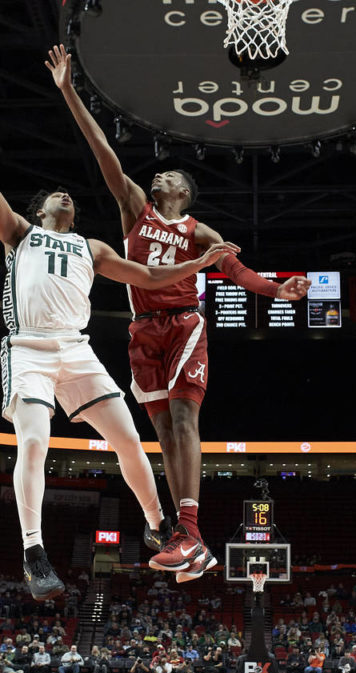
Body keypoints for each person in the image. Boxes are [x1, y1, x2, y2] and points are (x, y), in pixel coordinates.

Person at [0, 76, 237, 601]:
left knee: (129, 439)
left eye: (68, 195)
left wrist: (197, 263)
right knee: (35, 441)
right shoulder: (19, 233)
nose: (64, 194)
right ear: (40, 211)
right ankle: (34, 553)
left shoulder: (93, 247)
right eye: (53, 195)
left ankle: (160, 525)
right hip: (29, 351)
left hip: (77, 349)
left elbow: (148, 276)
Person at [47, 45, 310, 581]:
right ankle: (188, 541)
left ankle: (189, 528)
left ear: (184, 192)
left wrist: (277, 290)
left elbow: (237, 270)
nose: (159, 176)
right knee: (164, 432)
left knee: (186, 418)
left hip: (185, 322)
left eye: (169, 175)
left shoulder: (200, 232)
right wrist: (69, 91)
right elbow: (103, 153)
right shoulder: (135, 209)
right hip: (143, 331)